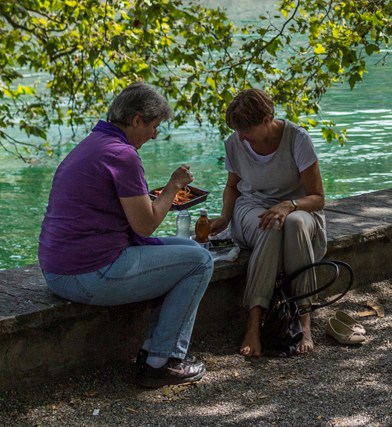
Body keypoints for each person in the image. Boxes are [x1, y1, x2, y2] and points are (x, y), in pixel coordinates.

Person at [38, 83, 215, 388]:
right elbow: (145, 227)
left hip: (57, 270)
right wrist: (173, 186)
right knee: (200, 260)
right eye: (154, 126)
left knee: (186, 249)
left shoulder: (94, 143)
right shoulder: (123, 155)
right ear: (136, 120)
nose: (155, 135)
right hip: (87, 275)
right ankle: (161, 362)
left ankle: (152, 352)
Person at [205, 88, 327, 357]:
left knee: (292, 223)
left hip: (299, 209)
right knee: (269, 224)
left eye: (246, 130)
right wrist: (225, 217)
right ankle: (253, 324)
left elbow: (317, 198)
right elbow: (232, 187)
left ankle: (304, 320)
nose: (241, 137)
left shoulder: (297, 139)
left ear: (266, 120)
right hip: (254, 207)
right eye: (237, 130)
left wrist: (289, 205)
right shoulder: (235, 142)